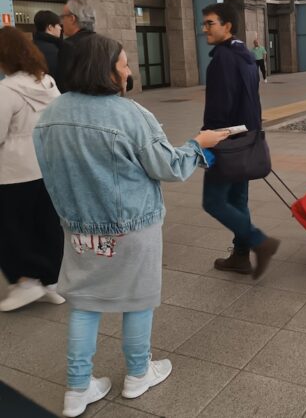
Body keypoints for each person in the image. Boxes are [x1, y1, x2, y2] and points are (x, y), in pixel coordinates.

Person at [33, 33, 228, 417]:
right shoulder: (130, 114)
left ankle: (77, 389)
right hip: (131, 227)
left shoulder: (50, 115)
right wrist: (198, 144)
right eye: (123, 64)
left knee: (84, 303)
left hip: (79, 230)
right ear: (104, 70)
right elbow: (168, 167)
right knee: (138, 300)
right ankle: (138, 373)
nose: (128, 71)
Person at [200, 3, 280, 279]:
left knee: (213, 201)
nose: (204, 29)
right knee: (237, 199)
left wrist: (206, 139)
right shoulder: (244, 55)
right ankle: (241, 256)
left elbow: (219, 108)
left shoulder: (223, 59)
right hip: (247, 139)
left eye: (210, 23)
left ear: (227, 26)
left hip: (227, 142)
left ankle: (259, 242)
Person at [0, 27, 64, 312]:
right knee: (46, 225)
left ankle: (24, 281)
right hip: (46, 166)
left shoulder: (6, 90)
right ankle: (50, 281)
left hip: (12, 172)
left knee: (12, 228)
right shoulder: (48, 83)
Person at [56, 0, 96, 93]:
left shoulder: (68, 46)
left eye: (63, 17)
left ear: (72, 19)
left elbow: (64, 84)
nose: (61, 22)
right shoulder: (109, 44)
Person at [32, 10, 63, 81]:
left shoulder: (30, 47)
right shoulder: (56, 49)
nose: (60, 28)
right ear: (50, 27)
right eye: (58, 25)